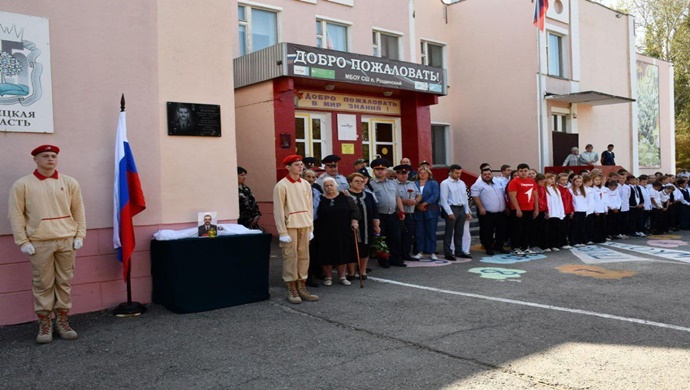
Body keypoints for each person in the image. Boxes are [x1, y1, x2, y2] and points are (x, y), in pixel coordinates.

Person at [8, 145, 86, 344]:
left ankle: (62, 321)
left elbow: (78, 210)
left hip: (66, 239)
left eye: (53, 156)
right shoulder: (22, 184)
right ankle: (44, 324)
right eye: (45, 156)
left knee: (64, 281)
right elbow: (16, 215)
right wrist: (22, 241)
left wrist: (80, 235)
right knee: (42, 283)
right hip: (40, 242)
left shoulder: (69, 182)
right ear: (35, 159)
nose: (50, 159)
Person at [273, 155, 318, 304]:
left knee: (304, 257)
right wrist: (282, 232)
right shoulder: (282, 185)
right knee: (290, 257)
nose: (300, 167)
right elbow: (278, 210)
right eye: (297, 165)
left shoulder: (305, 184)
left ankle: (301, 286)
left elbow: (309, 206)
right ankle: (291, 287)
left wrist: (311, 227)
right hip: (290, 226)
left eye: (301, 165)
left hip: (304, 224)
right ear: (288, 167)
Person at [314, 177, 359, 286]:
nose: (329, 187)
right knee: (326, 253)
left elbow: (355, 210)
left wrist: (354, 221)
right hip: (324, 231)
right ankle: (328, 277)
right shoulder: (320, 199)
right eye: (326, 186)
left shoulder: (345, 197)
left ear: (336, 186)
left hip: (343, 230)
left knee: (342, 253)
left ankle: (342, 277)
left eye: (331, 185)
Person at [369, 158, 407, 268]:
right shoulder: (371, 184)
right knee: (382, 239)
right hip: (380, 215)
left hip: (392, 214)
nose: (380, 171)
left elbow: (397, 197)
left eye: (382, 169)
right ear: (374, 171)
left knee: (395, 237)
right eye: (377, 169)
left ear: (386, 170)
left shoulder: (393, 183)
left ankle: (395, 259)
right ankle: (383, 260)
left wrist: (401, 211)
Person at [345, 172, 380, 280]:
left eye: (361, 181)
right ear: (350, 183)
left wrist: (376, 225)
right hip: (349, 227)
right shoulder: (344, 195)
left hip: (366, 227)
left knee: (365, 249)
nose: (359, 183)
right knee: (351, 250)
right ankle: (351, 272)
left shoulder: (368, 196)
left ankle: (362, 271)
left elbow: (375, 212)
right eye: (356, 181)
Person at [471, 165, 508, 256]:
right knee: (488, 231)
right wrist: (481, 207)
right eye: (485, 174)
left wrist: (506, 206)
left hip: (500, 212)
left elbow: (503, 194)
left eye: (489, 174)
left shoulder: (497, 182)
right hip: (487, 213)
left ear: (492, 174)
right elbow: (475, 197)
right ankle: (488, 248)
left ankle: (499, 246)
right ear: (481, 175)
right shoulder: (477, 185)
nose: (487, 176)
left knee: (501, 230)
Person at [439, 164, 472, 260]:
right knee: (449, 232)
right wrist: (449, 212)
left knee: (459, 231)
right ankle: (448, 252)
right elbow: (444, 200)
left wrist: (466, 211)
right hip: (451, 207)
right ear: (451, 172)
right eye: (457, 173)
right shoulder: (445, 183)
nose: (459, 175)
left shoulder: (461, 183)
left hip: (461, 208)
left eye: (460, 173)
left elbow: (465, 198)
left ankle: (459, 251)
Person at [507, 163, 539, 256]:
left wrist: (536, 209)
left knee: (527, 229)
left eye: (525, 171)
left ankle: (525, 247)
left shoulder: (532, 181)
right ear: (518, 172)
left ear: (528, 171)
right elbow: (512, 197)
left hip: (530, 209)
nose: (523, 173)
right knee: (517, 229)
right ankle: (516, 247)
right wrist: (517, 209)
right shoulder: (514, 182)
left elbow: (535, 196)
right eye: (521, 171)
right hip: (518, 210)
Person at [412, 166, 440, 259]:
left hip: (430, 210)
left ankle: (432, 251)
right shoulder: (414, 183)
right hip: (417, 209)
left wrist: (426, 203)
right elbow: (412, 195)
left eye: (425, 173)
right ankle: (420, 251)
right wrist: (417, 205)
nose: (422, 174)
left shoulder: (433, 183)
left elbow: (435, 195)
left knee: (431, 231)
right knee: (419, 231)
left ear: (429, 174)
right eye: (421, 173)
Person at [394, 164, 420, 261]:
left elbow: (418, 195)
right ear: (396, 174)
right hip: (399, 213)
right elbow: (395, 198)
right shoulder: (393, 184)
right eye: (401, 173)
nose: (404, 175)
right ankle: (398, 255)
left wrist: (416, 201)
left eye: (405, 173)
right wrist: (404, 201)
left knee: (408, 235)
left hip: (410, 212)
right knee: (398, 235)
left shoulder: (411, 184)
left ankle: (406, 253)